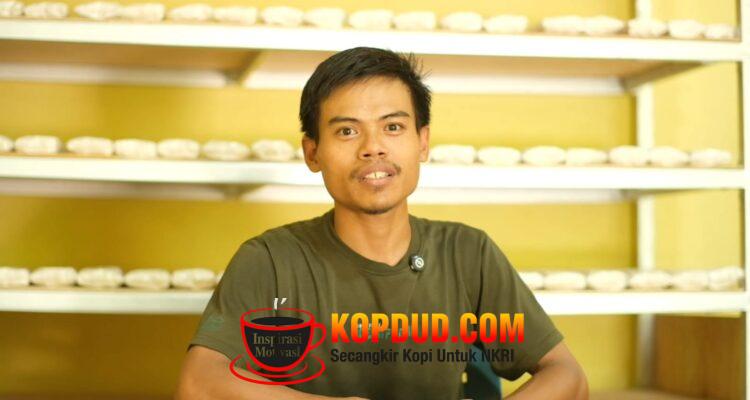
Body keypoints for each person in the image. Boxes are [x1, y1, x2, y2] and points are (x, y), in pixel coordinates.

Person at [176, 46, 588, 400]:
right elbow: (199, 383)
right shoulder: (270, 260)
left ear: (422, 142)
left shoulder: (468, 254)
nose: (373, 148)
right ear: (312, 152)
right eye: (347, 131)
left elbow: (567, 375)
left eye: (393, 127)